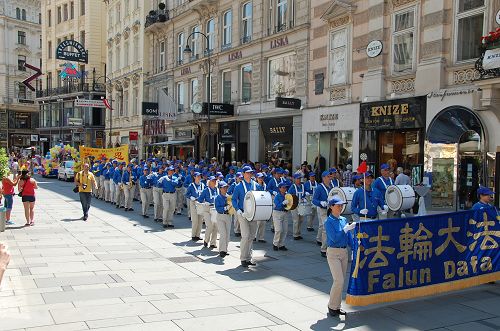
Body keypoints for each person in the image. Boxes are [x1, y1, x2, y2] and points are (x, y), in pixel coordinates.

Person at [324, 196, 356, 317]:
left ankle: (336, 307)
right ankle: (332, 306)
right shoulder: (328, 222)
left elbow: (349, 237)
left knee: (341, 282)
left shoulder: (343, 219)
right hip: (333, 253)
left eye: (342, 205)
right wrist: (345, 229)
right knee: (339, 280)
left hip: (343, 252)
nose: (340, 207)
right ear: (331, 207)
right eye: (338, 205)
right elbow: (335, 239)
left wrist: (353, 249)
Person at [232, 165, 258, 267]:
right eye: (247, 173)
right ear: (243, 174)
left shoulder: (255, 185)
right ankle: (243, 258)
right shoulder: (238, 186)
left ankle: (248, 258)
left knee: (251, 236)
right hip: (242, 213)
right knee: (245, 235)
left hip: (253, 214)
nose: (249, 174)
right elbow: (234, 199)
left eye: (251, 172)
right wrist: (237, 209)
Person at [312, 170, 333, 257]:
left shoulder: (331, 186)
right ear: (323, 178)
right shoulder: (319, 187)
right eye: (328, 177)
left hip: (331, 209)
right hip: (323, 210)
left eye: (330, 176)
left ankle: (329, 247)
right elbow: (314, 200)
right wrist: (321, 202)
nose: (330, 178)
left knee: (329, 228)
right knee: (325, 228)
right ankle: (324, 249)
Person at [198, 176, 219, 248]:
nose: (214, 182)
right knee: (209, 226)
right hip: (207, 209)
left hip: (215, 210)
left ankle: (213, 243)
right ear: (209, 182)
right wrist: (205, 202)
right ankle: (206, 240)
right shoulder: (205, 190)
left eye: (215, 181)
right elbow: (200, 200)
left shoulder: (218, 190)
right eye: (213, 181)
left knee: (215, 226)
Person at [186, 172, 205, 241]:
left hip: (201, 203)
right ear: (194, 177)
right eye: (198, 176)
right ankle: (193, 235)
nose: (199, 177)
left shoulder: (203, 185)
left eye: (200, 176)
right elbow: (187, 194)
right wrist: (191, 197)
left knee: (200, 220)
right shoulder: (191, 185)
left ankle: (198, 235)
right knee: (195, 220)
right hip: (194, 202)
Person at [215, 181, 231, 257]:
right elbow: (218, 209)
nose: (225, 189)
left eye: (226, 187)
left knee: (227, 234)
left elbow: (232, 207)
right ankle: (221, 250)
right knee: (223, 233)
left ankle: (225, 249)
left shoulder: (229, 197)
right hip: (221, 216)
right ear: (220, 189)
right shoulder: (217, 198)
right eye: (224, 187)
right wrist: (226, 208)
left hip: (228, 216)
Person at [273, 182, 290, 251]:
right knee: (278, 230)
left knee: (285, 230)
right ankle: (275, 244)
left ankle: (281, 244)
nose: (285, 189)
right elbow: (277, 205)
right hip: (277, 213)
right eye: (283, 187)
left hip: (285, 213)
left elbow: (290, 204)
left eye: (285, 187)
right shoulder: (277, 196)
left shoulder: (287, 195)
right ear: (279, 188)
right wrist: (283, 203)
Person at [288, 173, 306, 240]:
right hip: (294, 205)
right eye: (297, 178)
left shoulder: (302, 186)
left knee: (301, 220)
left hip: (301, 205)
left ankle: (298, 232)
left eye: (299, 178)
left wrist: (304, 198)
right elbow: (288, 195)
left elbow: (304, 194)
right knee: (296, 220)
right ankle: (295, 234)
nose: (299, 180)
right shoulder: (292, 187)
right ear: (294, 179)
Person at [254, 172, 267, 243]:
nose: (261, 179)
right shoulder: (255, 185)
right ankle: (254, 236)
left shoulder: (265, 185)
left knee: (263, 222)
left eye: (262, 177)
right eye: (259, 178)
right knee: (257, 222)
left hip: (264, 205)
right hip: (257, 205)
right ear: (256, 178)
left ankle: (261, 237)